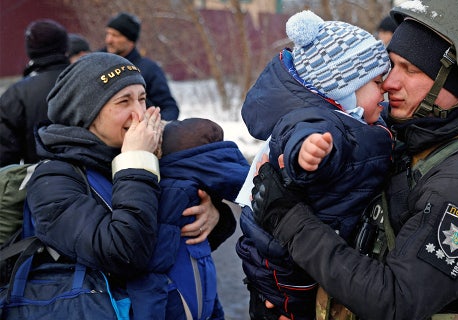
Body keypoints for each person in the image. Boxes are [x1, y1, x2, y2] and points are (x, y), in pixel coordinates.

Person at [250, 1, 458, 319]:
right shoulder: (407, 135)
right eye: (392, 65)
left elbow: (397, 301)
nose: (388, 84)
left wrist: (288, 219)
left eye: (411, 70)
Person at [25, 52, 219, 319]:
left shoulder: (151, 154)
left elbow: (172, 239)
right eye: (123, 101)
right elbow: (124, 253)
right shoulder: (53, 181)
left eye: (142, 98)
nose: (139, 113)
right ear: (86, 113)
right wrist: (135, 162)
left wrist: (212, 216)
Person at [235, 10, 392, 320]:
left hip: (302, 251)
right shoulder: (324, 122)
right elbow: (300, 134)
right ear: (346, 88)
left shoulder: (355, 119)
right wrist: (306, 154)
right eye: (377, 81)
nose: (385, 89)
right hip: (282, 260)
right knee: (293, 309)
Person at [127, 117, 249, 320]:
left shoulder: (176, 187)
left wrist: (216, 211)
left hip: (192, 301)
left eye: (140, 98)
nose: (140, 113)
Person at [0, 19, 70, 166]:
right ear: (65, 46)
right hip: (94, 181)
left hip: (38, 180)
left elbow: (5, 155)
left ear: (30, 50)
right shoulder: (86, 79)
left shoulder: (16, 94)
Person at [104, 12, 180, 120]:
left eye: (115, 35)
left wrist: (152, 127)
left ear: (131, 41)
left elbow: (169, 108)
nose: (108, 40)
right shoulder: (97, 63)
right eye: (108, 34)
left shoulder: (149, 69)